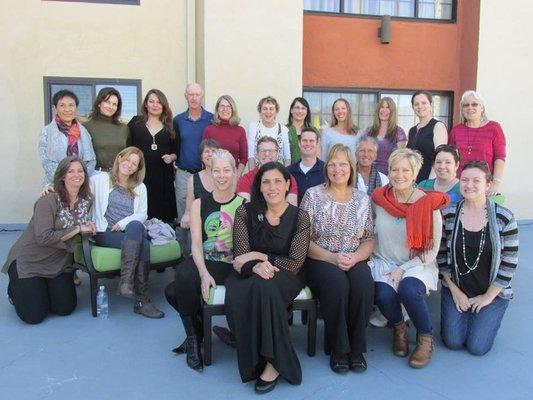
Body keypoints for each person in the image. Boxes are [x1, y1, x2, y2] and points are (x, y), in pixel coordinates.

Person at [225, 162, 310, 393]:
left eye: (277, 181)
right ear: (259, 187)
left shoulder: (300, 217)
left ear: (287, 185)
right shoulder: (245, 211)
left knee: (267, 288)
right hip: (249, 270)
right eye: (266, 182)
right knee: (249, 288)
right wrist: (255, 265)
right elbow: (241, 256)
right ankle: (256, 352)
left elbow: (294, 262)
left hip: (286, 273)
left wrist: (261, 256)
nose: (272, 187)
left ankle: (272, 362)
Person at [165, 149, 244, 371]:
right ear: (210, 171)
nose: (221, 175)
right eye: (216, 170)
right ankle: (194, 338)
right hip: (206, 259)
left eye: (226, 170)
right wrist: (203, 273)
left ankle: (198, 335)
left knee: (176, 290)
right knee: (176, 284)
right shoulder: (199, 204)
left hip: (231, 264)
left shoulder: (243, 204)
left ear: (233, 172)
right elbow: (197, 244)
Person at [369, 148, 449, 369]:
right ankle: (399, 328)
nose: (399, 175)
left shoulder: (428, 204)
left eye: (406, 170)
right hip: (384, 260)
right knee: (383, 295)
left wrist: (404, 269)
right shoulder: (379, 198)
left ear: (415, 174)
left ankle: (425, 338)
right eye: (395, 169)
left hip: (417, 263)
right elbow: (370, 230)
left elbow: (431, 252)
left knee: (408, 289)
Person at [300, 144, 375, 374]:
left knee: (363, 283)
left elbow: (369, 239)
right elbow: (302, 240)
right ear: (326, 168)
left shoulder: (362, 199)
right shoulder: (313, 195)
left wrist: (355, 258)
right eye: (332, 164)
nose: (337, 169)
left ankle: (357, 349)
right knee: (337, 283)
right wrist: (333, 258)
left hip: (353, 257)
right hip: (320, 259)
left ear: (351, 168)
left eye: (343, 164)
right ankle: (339, 348)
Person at [438, 161, 518, 355]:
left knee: (477, 347)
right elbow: (440, 258)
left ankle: (484, 313)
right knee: (453, 342)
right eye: (465, 180)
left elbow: (509, 263)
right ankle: (465, 312)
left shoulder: (504, 218)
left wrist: (487, 297)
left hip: (492, 291)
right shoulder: (448, 214)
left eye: (476, 180)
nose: (469, 185)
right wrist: (455, 291)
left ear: (488, 185)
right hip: (457, 287)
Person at [2, 156, 94, 324]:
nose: (76, 175)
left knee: (65, 308)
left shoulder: (87, 200)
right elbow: (44, 238)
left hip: (58, 262)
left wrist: (88, 225)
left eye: (80, 171)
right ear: (62, 176)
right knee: (34, 316)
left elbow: (85, 223)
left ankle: (40, 289)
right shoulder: (48, 200)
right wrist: (78, 229)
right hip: (31, 260)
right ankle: (14, 290)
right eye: (70, 171)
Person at [90, 146, 164, 318]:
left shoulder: (140, 187)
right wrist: (50, 186)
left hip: (127, 231)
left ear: (138, 168)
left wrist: (123, 223)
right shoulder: (100, 179)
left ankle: (126, 282)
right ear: (119, 158)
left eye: (134, 163)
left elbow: (142, 214)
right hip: (105, 232)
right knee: (143, 244)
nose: (129, 165)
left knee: (137, 226)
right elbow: (76, 184)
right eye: (127, 160)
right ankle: (141, 301)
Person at [128, 89, 177, 223]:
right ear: (145, 104)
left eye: (159, 102)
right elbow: (127, 147)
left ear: (164, 105)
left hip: (163, 176)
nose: (155, 105)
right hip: (140, 174)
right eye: (151, 101)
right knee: (141, 210)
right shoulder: (135, 123)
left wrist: (171, 157)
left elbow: (176, 150)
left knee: (163, 217)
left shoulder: (171, 125)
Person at [174, 83, 213, 249]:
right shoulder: (178, 120)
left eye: (197, 95)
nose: (194, 98)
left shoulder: (211, 119)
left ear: (201, 96)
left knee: (207, 210)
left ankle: (206, 250)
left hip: (206, 173)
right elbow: (174, 145)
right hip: (184, 173)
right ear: (186, 96)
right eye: (191, 94)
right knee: (184, 213)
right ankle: (183, 254)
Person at [449, 90, 506, 195]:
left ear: (482, 108)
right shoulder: (456, 130)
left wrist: (496, 183)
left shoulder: (494, 128)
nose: (470, 107)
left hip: (483, 186)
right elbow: (450, 158)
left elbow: (500, 157)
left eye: (474, 104)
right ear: (462, 109)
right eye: (466, 105)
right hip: (459, 185)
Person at [38, 89, 96, 188]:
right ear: (55, 107)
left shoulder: (84, 132)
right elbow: (46, 161)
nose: (67, 109)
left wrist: (80, 179)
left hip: (80, 186)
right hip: (55, 185)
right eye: (62, 105)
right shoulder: (46, 132)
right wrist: (66, 181)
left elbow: (91, 160)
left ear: (76, 107)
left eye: (71, 105)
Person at [237, 136, 298, 206]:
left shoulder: (288, 178)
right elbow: (245, 210)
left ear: (277, 154)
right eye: (263, 151)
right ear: (256, 154)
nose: (267, 154)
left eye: (271, 151)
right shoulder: (246, 179)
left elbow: (291, 210)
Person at [83, 87, 130, 171]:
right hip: (96, 175)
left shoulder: (124, 129)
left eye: (114, 104)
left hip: (120, 175)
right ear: (99, 103)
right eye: (107, 102)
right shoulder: (87, 127)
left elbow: (128, 154)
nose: (111, 107)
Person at [407, 91, 448, 183]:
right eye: (416, 104)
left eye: (424, 103)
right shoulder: (412, 131)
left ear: (431, 105)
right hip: (411, 179)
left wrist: (430, 181)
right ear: (413, 107)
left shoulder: (437, 126)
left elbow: (439, 157)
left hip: (429, 179)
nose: (420, 106)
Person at [180, 139, 220, 230]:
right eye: (206, 151)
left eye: (213, 151)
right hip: (199, 222)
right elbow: (188, 208)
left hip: (222, 222)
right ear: (201, 157)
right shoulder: (193, 179)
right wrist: (186, 215)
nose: (210, 154)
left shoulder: (225, 177)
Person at [202, 95, 247, 176]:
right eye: (222, 106)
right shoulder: (209, 130)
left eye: (228, 106)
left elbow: (244, 158)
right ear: (217, 109)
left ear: (233, 110)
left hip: (232, 176)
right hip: (213, 176)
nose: (225, 109)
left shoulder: (240, 131)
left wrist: (237, 175)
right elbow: (204, 155)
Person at [364, 97, 407, 174]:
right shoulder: (369, 131)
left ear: (392, 112)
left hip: (389, 175)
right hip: (369, 173)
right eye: (382, 107)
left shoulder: (399, 132)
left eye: (387, 108)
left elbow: (400, 159)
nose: (384, 110)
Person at [247, 96, 291, 167]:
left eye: (271, 109)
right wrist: (253, 176)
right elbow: (251, 155)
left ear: (276, 112)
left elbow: (287, 157)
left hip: (278, 172)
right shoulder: (253, 127)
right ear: (260, 111)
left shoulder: (283, 129)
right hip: (258, 172)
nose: (268, 112)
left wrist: (285, 176)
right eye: (265, 109)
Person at [287, 127, 325, 203]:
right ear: (299, 143)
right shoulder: (289, 171)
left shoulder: (326, 170)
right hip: (296, 214)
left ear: (317, 144)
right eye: (304, 140)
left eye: (311, 141)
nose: (308, 144)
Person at [286, 97, 315, 163]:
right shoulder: (284, 130)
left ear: (307, 112)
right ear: (291, 110)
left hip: (310, 170)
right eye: (297, 108)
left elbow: (318, 153)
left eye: (303, 108)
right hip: (288, 171)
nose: (300, 111)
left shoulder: (313, 131)